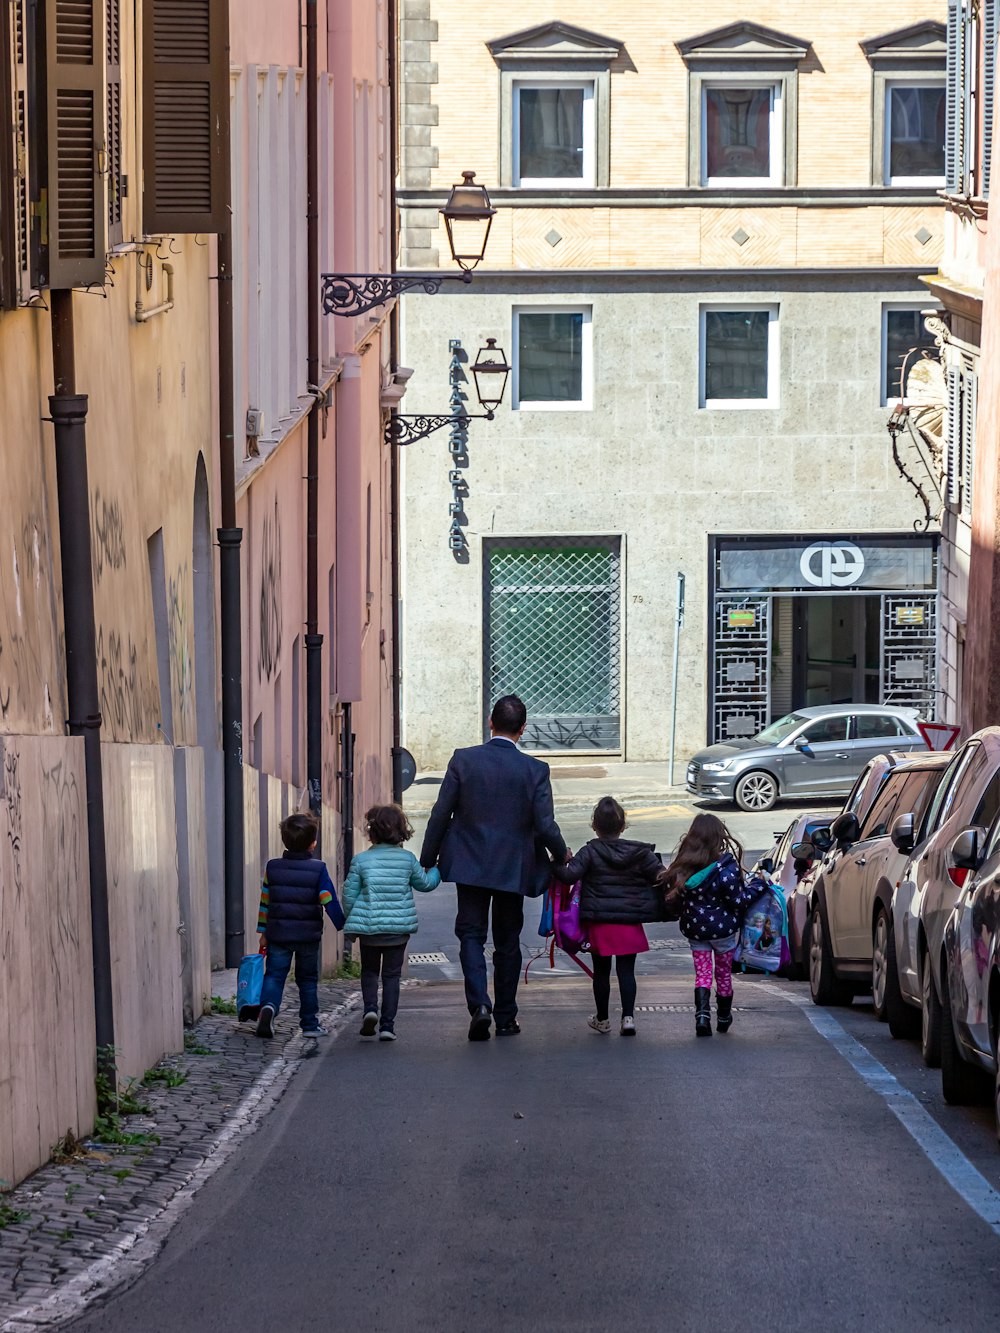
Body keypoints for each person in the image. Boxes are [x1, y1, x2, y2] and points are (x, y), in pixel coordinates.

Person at [420, 694, 567, 1041]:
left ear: (490, 722)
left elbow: (441, 812)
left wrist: (428, 859)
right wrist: (562, 855)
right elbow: (545, 825)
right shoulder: (534, 770)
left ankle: (479, 1005)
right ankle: (505, 1016)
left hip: (469, 864)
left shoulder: (463, 760)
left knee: (470, 935)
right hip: (512, 868)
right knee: (508, 941)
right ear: (523, 730)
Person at [552, 797, 662, 1036]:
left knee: (601, 972)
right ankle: (628, 1018)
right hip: (629, 921)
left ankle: (602, 1019)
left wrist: (556, 862)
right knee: (626, 971)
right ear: (623, 825)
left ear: (595, 825)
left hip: (599, 921)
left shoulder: (590, 851)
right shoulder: (640, 853)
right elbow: (659, 875)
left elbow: (568, 876)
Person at [342, 803, 441, 1041]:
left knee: (369, 972)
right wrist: (438, 869)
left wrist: (352, 918)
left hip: (369, 928)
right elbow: (425, 884)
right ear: (401, 830)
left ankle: (370, 1010)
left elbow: (349, 895)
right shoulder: (407, 859)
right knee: (392, 976)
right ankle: (387, 1026)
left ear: (371, 831)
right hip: (397, 930)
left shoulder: (361, 860)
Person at [663, 812, 758, 1038]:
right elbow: (739, 901)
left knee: (703, 974)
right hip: (723, 932)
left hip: (695, 932)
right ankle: (724, 1017)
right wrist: (758, 887)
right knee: (723, 974)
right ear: (719, 838)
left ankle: (702, 1016)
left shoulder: (685, 868)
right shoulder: (725, 869)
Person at [256, 813, 345, 1039]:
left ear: (284, 840)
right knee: (307, 980)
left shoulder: (273, 868)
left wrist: (263, 932)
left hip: (278, 935)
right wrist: (343, 925)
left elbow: (265, 901)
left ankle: (268, 1008)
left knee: (275, 975)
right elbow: (328, 899)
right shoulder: (318, 869)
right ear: (313, 843)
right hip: (307, 936)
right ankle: (309, 1025)